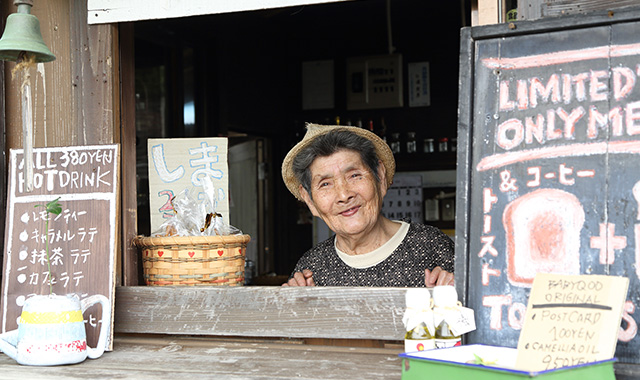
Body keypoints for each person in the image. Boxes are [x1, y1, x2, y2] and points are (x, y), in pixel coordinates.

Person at [281, 123, 455, 287]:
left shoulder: (432, 246)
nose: (344, 195)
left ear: (379, 177)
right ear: (309, 200)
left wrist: (457, 294)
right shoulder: (310, 269)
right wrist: (295, 306)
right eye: (325, 184)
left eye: (355, 175)